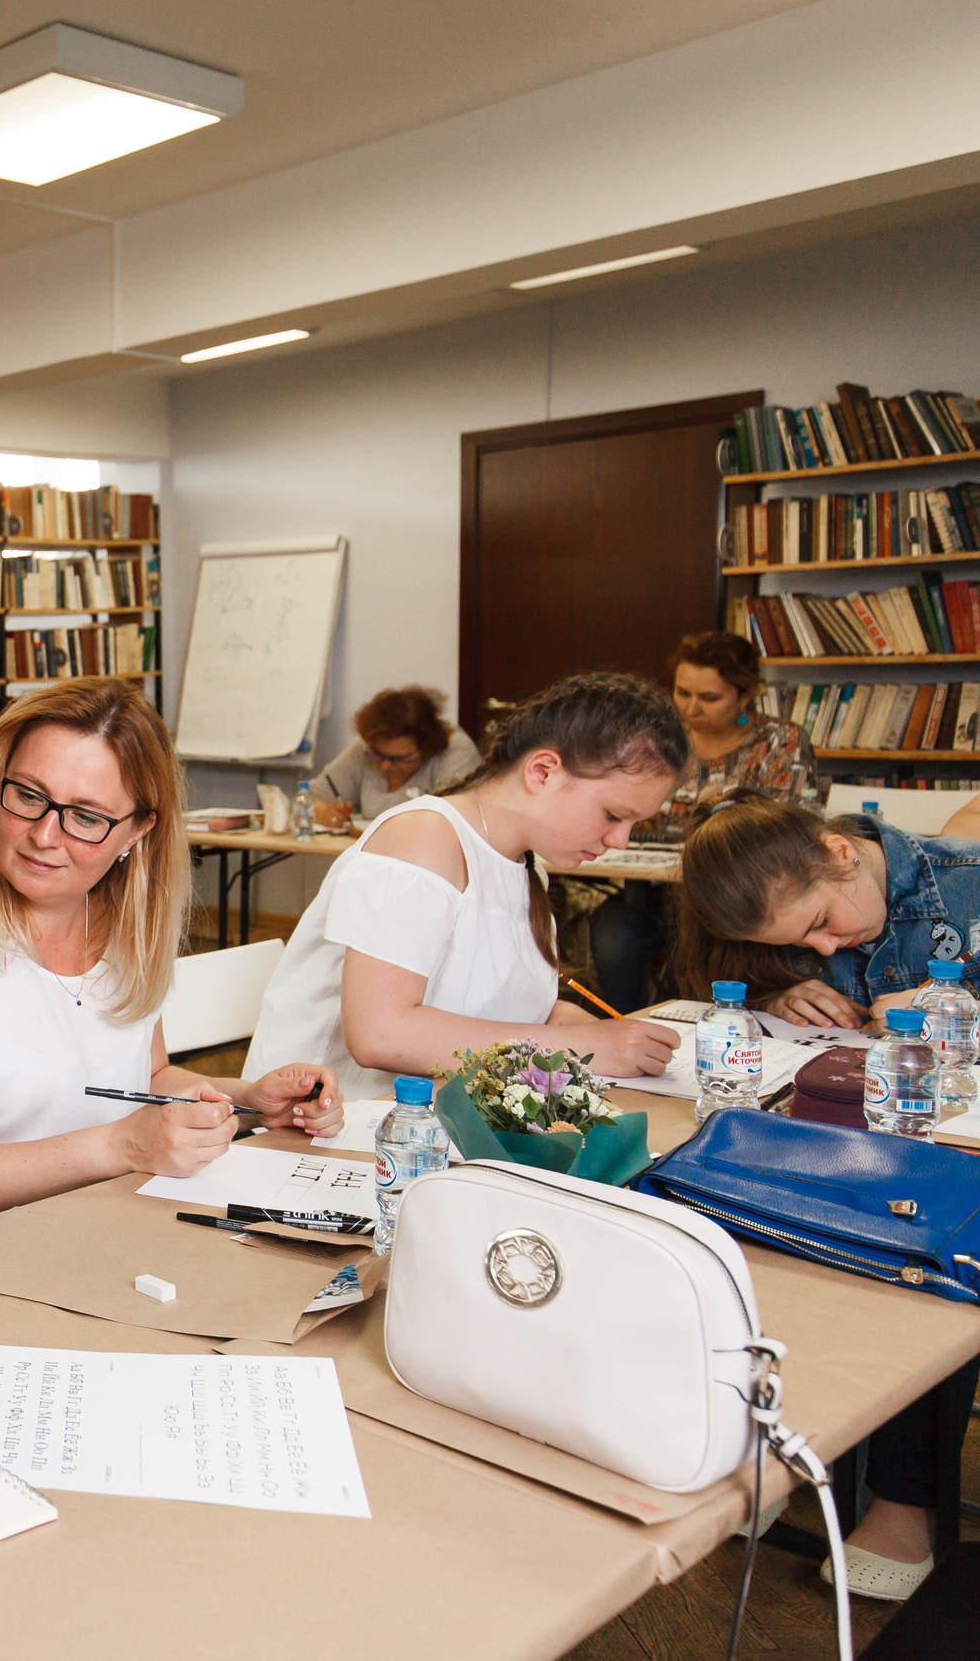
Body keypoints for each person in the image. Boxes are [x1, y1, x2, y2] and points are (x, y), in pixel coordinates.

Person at [0, 677, 342, 1243]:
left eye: (86, 817)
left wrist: (247, 1101)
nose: (43, 835)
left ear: (137, 831)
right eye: (30, 795)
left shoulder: (125, 929)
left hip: (92, 1225)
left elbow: (148, 1078)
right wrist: (121, 1144)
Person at [677, 792, 980, 1600]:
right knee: (728, 1215)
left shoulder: (968, 884)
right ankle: (775, 1443)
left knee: (916, 1261)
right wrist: (778, 995)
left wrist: (962, 1018)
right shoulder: (795, 909)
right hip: (830, 1134)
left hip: (950, 1156)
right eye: (801, 942)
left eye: (821, 921)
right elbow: (729, 988)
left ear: (838, 851)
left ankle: (907, 1500)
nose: (827, 944)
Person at [244, 673, 689, 1102]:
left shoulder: (526, 864)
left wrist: (596, 1033)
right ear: (543, 773)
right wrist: (568, 1047)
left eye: (635, 823)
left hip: (438, 1114)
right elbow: (380, 1033)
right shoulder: (422, 841)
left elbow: (503, 1008)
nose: (620, 841)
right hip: (328, 1128)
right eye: (613, 815)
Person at [590, 632, 819, 1009]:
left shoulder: (780, 742)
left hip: (735, 897)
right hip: (650, 894)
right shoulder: (656, 741)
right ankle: (626, 1027)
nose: (691, 708)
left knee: (697, 942)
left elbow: (787, 833)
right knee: (614, 933)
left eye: (709, 698)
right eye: (682, 693)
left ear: (745, 695)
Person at [303, 686, 480, 828]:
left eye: (399, 759)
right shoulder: (365, 751)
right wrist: (326, 813)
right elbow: (305, 798)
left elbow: (453, 820)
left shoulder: (455, 751)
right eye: (378, 755)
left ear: (427, 748)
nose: (385, 766)